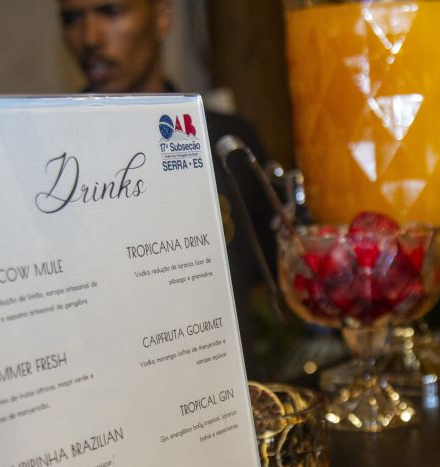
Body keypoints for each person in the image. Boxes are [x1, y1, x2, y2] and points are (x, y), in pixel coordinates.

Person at [57, 0, 277, 368]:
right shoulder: (58, 158)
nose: (90, 37)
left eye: (110, 12)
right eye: (72, 19)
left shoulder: (226, 142)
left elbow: (278, 278)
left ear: (161, 16)